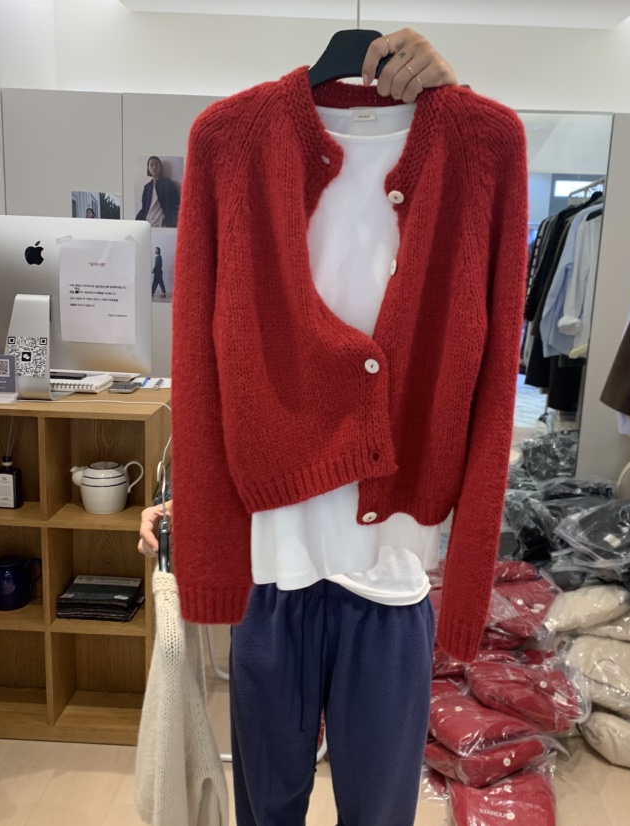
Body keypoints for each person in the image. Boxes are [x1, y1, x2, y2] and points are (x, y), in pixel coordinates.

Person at [139, 28, 463, 825]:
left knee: (379, 813)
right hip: (272, 562)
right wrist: (201, 520)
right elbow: (204, 369)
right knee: (267, 810)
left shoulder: (464, 155)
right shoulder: (229, 145)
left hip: (391, 571)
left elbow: (480, 380)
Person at [136, 155, 181, 228]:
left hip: (162, 222)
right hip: (148, 221)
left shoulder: (167, 183)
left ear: (160, 167)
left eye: (156, 165)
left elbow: (175, 202)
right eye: (151, 165)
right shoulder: (147, 187)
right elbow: (144, 206)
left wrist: (171, 220)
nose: (154, 167)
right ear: (148, 168)